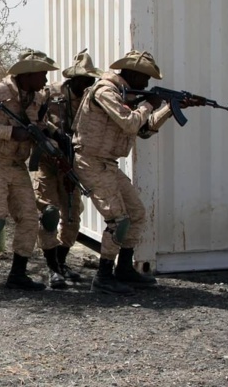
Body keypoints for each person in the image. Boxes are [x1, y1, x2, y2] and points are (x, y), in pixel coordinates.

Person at [72, 50, 201, 295]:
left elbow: (144, 129)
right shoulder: (105, 91)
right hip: (90, 161)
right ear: (132, 73)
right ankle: (103, 277)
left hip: (107, 163)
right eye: (146, 78)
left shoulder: (125, 95)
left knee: (137, 214)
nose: (148, 84)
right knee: (118, 221)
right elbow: (131, 122)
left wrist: (169, 109)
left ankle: (123, 269)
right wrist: (147, 104)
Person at [0, 49, 59, 294]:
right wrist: (9, 133)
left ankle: (18, 274)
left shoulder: (37, 99)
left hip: (17, 164)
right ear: (27, 74)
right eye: (42, 74)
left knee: (29, 218)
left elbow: (38, 123)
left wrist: (46, 134)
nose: (46, 80)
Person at [35, 49, 103, 289]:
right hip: (48, 161)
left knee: (73, 216)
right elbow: (34, 118)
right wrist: (54, 134)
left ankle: (61, 262)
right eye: (84, 80)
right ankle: (51, 267)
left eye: (91, 80)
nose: (88, 84)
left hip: (72, 165)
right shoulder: (50, 93)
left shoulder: (92, 97)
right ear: (72, 79)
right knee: (50, 213)